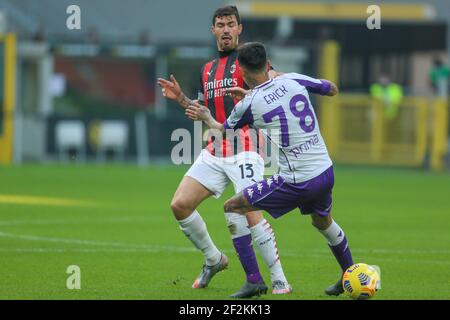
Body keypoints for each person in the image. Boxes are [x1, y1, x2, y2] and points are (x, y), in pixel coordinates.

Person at [186, 42, 363, 296]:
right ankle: (351, 274)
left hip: (297, 180)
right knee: (322, 220)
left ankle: (254, 280)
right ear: (268, 64)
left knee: (233, 207)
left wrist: (205, 115)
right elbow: (331, 89)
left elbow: (221, 130)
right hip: (325, 171)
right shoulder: (292, 79)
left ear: (243, 74)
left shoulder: (249, 104)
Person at [157, 6, 291, 298]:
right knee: (179, 205)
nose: (226, 29)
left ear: (240, 29)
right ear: (213, 31)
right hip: (216, 148)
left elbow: (276, 83)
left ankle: (279, 279)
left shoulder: (250, 61)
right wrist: (180, 98)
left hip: (246, 146)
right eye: (221, 24)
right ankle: (214, 259)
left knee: (248, 212)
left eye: (231, 24)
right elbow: (203, 110)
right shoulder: (207, 69)